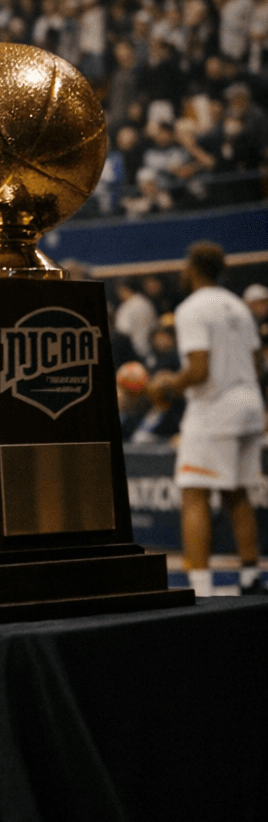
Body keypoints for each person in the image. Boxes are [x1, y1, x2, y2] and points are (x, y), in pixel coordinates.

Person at [149, 242, 265, 597]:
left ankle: (199, 587)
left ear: (194, 268)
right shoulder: (239, 306)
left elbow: (198, 370)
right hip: (250, 405)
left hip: (215, 410)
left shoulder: (192, 308)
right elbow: (258, 361)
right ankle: (249, 576)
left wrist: (169, 384)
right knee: (237, 493)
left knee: (194, 495)